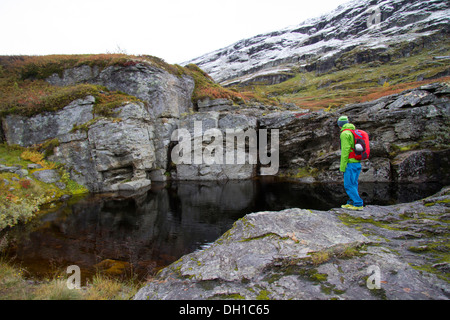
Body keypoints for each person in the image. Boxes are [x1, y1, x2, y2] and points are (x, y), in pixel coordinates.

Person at [337, 116, 364, 210]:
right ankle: (351, 202)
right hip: (357, 162)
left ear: (340, 125)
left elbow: (345, 151)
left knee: (348, 184)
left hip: (350, 163)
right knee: (353, 183)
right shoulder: (354, 132)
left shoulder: (345, 134)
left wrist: (342, 166)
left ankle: (358, 204)